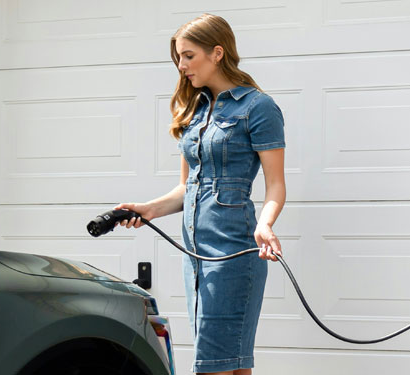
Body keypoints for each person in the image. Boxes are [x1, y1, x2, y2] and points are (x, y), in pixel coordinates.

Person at [113, 13, 286, 375]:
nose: (181, 65)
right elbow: (185, 188)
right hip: (194, 255)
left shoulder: (258, 107)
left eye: (189, 55)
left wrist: (265, 225)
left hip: (234, 250)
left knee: (215, 363)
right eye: (178, 56)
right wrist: (148, 209)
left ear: (217, 53)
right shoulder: (193, 110)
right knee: (229, 363)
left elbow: (275, 185)